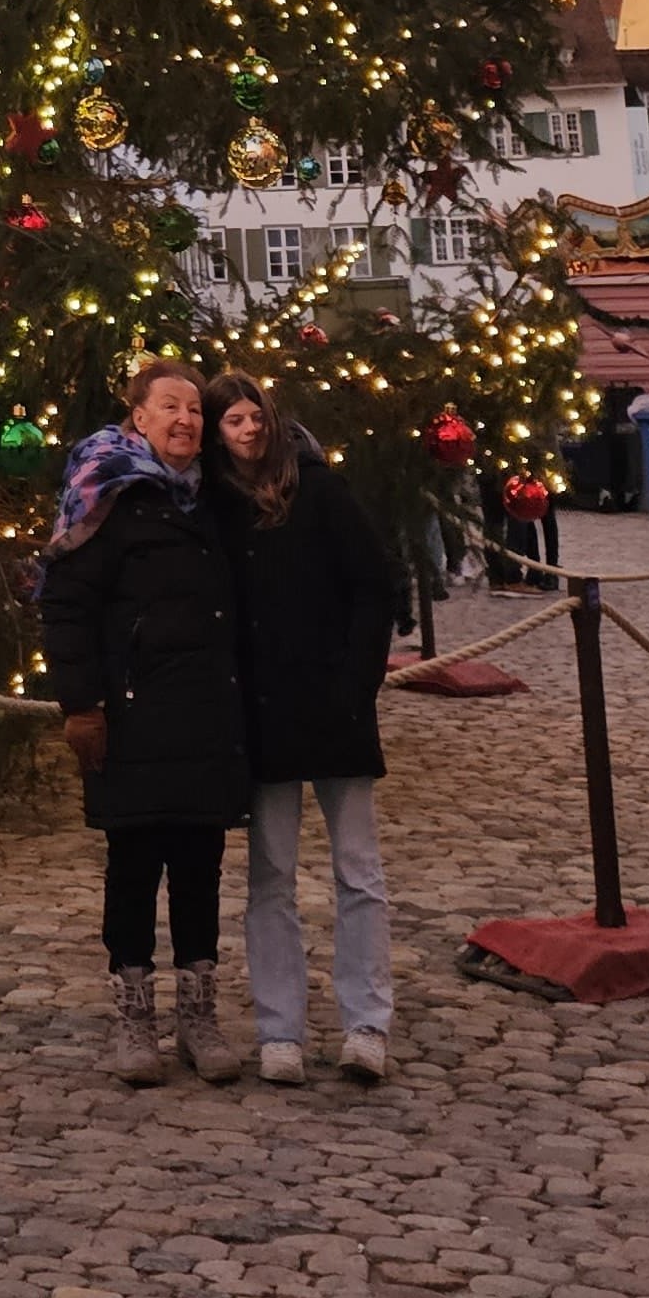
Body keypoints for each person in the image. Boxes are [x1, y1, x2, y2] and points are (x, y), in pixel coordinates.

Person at [36, 355, 252, 1087]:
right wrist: (82, 705)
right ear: (138, 419)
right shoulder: (108, 495)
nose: (185, 420)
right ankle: (134, 1016)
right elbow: (67, 604)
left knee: (200, 867)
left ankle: (198, 1015)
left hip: (205, 713)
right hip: (131, 714)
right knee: (133, 868)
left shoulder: (217, 499)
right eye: (169, 407)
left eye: (194, 409)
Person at [201, 370, 395, 1087]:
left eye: (256, 416)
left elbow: (373, 585)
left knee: (358, 872)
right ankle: (278, 1028)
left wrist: (357, 681)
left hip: (334, 702)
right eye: (234, 421)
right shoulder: (215, 506)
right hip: (262, 712)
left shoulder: (318, 486)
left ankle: (366, 1024)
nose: (249, 429)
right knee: (271, 876)